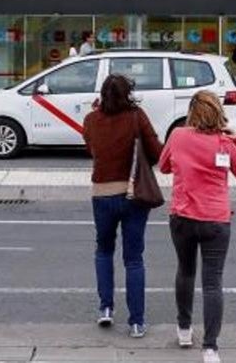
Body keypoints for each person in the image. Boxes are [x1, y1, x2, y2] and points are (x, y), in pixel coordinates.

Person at [158, 91, 236, 363]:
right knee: (213, 283)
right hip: (216, 220)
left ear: (192, 113)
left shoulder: (177, 136)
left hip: (183, 217)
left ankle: (184, 329)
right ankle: (210, 347)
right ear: (217, 113)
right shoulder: (225, 141)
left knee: (185, 272)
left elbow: (164, 167)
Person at [82, 73, 163, 338]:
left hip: (102, 194)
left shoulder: (91, 119)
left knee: (103, 251)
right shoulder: (137, 117)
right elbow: (157, 153)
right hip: (133, 194)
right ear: (128, 93)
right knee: (134, 259)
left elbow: (91, 148)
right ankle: (136, 322)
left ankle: (105, 308)